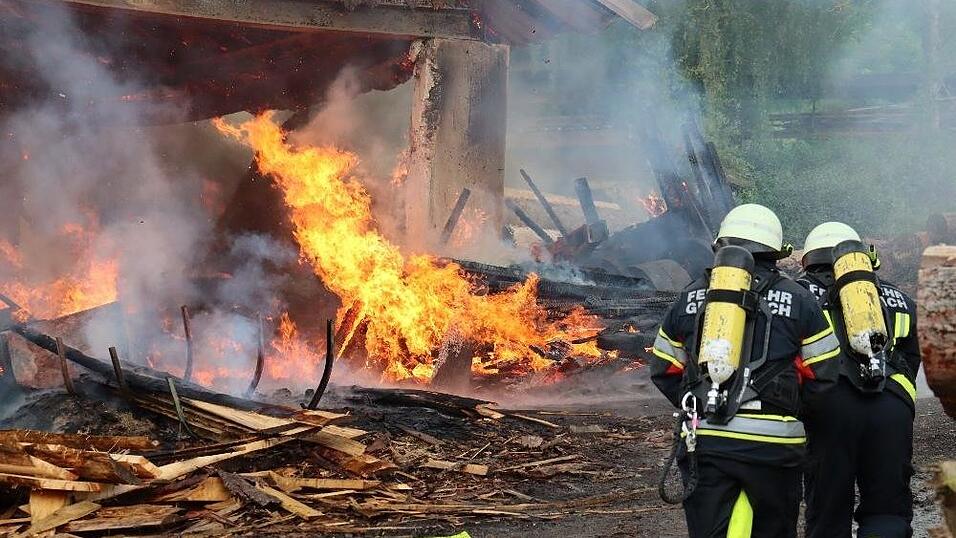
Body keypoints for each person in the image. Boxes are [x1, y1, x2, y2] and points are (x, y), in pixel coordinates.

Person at [651, 203, 840, 538]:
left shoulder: (691, 295)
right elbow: (824, 374)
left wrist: (697, 402)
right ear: (776, 251)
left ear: (720, 244)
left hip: (705, 443)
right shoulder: (800, 300)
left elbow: (665, 368)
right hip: (774, 448)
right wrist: (792, 412)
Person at [798, 222, 920, 538]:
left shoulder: (798, 295)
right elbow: (913, 357)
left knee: (828, 509)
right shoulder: (899, 298)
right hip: (891, 404)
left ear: (810, 258)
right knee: (887, 510)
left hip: (830, 405)